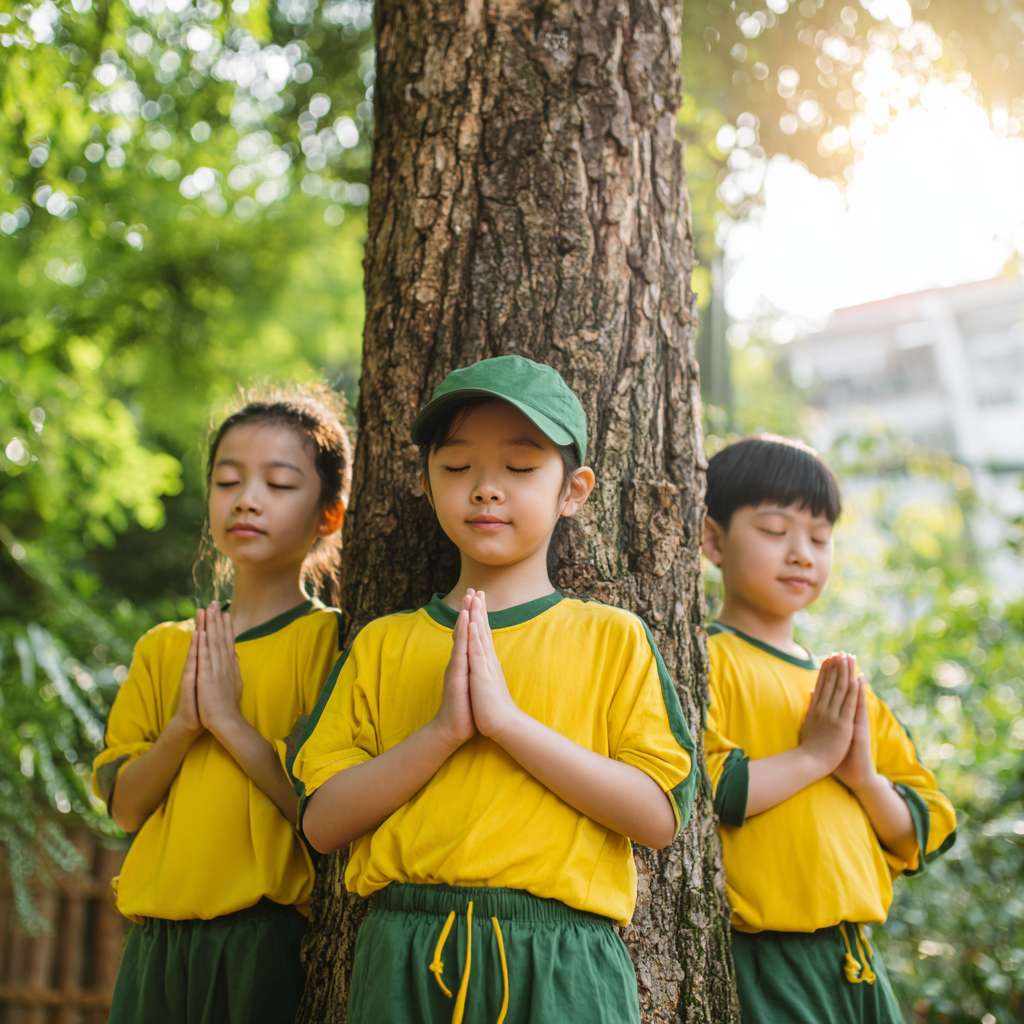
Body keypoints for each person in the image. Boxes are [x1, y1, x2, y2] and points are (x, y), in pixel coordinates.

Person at [288, 355, 697, 1024]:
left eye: (520, 467)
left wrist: (508, 724)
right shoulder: (385, 644)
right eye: (456, 468)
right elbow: (323, 821)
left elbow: (656, 816)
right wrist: (443, 732)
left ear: (574, 490)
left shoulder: (612, 639)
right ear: (426, 483)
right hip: (405, 952)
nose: (485, 489)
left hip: (563, 959)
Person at [92, 386, 353, 1024]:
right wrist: (185, 725)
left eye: (280, 484)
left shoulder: (333, 644)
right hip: (155, 943)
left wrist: (231, 724)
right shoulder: (164, 648)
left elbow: (321, 815)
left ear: (329, 514)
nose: (246, 499)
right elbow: (126, 808)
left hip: (263, 943)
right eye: (227, 480)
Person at [701, 434, 957, 1024]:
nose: (801, 554)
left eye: (819, 538)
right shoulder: (707, 661)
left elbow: (924, 830)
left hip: (858, 962)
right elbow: (713, 791)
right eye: (774, 530)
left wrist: (863, 776)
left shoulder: (840, 684)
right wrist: (814, 757)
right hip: (766, 962)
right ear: (713, 538)